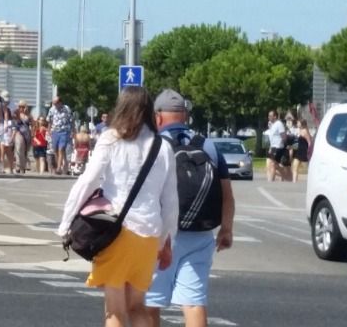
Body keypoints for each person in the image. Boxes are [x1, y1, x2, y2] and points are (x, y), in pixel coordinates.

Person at [57, 86, 178, 327]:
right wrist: (167, 242)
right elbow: (171, 201)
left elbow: (88, 182)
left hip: (116, 232)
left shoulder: (112, 139)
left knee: (115, 311)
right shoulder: (162, 146)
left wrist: (66, 222)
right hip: (148, 236)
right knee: (137, 306)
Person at [145, 88, 235, 327]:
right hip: (200, 234)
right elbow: (227, 193)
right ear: (185, 115)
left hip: (161, 235)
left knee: (151, 302)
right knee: (194, 302)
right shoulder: (209, 146)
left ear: (158, 117)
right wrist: (226, 229)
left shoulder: (154, 145)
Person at [47, 96, 74, 175]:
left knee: (61, 148)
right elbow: (49, 121)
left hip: (64, 131)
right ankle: (64, 164)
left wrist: (73, 131)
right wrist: (48, 131)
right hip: (55, 131)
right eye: (53, 103)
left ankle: (58, 168)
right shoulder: (52, 110)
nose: (54, 105)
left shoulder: (67, 109)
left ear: (60, 102)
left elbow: (71, 120)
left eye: (55, 103)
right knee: (55, 149)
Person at [265, 110, 287, 182]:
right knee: (272, 165)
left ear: (275, 116)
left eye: (270, 116)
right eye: (268, 116)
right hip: (273, 147)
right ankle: (283, 174)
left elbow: (283, 136)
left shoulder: (279, 124)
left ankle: (271, 181)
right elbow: (272, 138)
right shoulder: (272, 125)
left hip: (278, 147)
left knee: (272, 164)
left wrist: (282, 145)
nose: (269, 117)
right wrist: (270, 148)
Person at [11, 100, 33, 174]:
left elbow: (32, 124)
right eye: (20, 106)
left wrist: (27, 113)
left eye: (23, 107)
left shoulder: (29, 116)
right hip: (18, 132)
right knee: (18, 148)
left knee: (24, 151)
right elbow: (13, 124)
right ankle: (17, 165)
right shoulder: (16, 114)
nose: (21, 108)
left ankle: (22, 167)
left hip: (27, 134)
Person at [293, 119, 313, 183]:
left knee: (308, 167)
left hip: (304, 151)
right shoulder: (299, 130)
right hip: (299, 151)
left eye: (298, 123)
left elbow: (309, 142)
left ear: (302, 124)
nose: (297, 124)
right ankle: (294, 181)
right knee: (295, 166)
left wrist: (309, 151)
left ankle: (311, 180)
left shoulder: (305, 131)